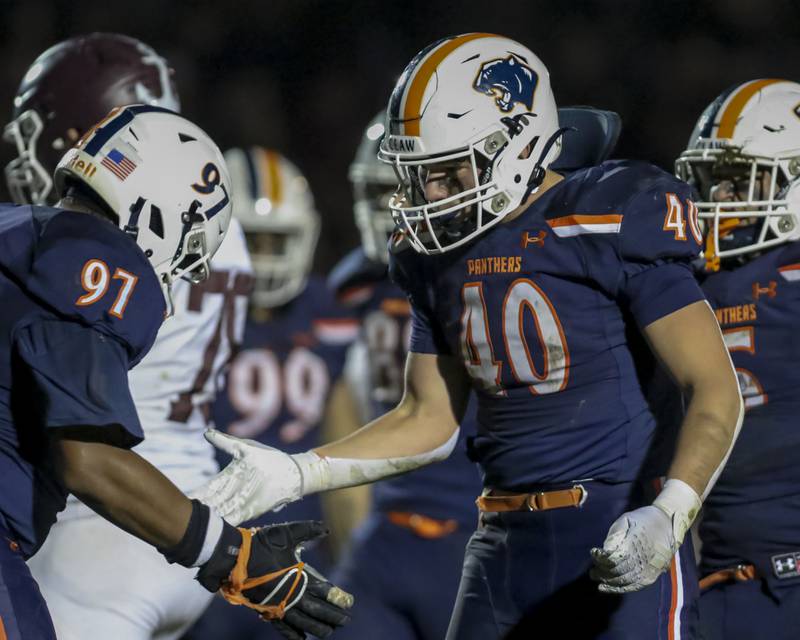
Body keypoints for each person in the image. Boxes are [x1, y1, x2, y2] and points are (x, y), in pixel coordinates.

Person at [195, 33, 743, 639]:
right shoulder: (434, 256)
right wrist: (301, 472)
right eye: (418, 174)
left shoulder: (608, 213)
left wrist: (670, 513)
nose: (429, 194)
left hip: (616, 528)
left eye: (447, 172)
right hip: (500, 545)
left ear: (518, 141)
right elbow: (429, 417)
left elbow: (714, 388)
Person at [0, 103, 352, 640]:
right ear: (164, 211)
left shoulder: (15, 225)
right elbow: (88, 457)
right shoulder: (99, 263)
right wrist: (234, 556)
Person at [5, 34, 251, 640]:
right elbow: (86, 450)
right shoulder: (218, 233)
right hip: (167, 496)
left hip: (114, 517)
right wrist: (229, 551)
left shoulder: (56, 242)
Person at [185, 146, 360, 640]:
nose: (261, 257)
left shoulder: (332, 313)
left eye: (274, 240)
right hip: (204, 543)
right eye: (249, 240)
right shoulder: (184, 314)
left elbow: (343, 439)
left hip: (302, 551)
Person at [675, 78, 800, 640]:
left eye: (737, 179)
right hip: (729, 579)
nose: (718, 198)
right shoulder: (689, 283)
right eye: (711, 180)